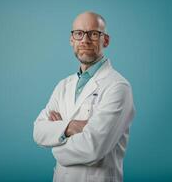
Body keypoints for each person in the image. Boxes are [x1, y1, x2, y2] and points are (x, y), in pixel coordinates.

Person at [33, 11, 135, 182]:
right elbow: (38, 131)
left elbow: (93, 147)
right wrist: (72, 126)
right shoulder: (63, 85)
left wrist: (56, 142)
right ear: (71, 40)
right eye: (79, 34)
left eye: (94, 34)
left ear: (106, 40)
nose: (85, 40)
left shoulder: (118, 87)